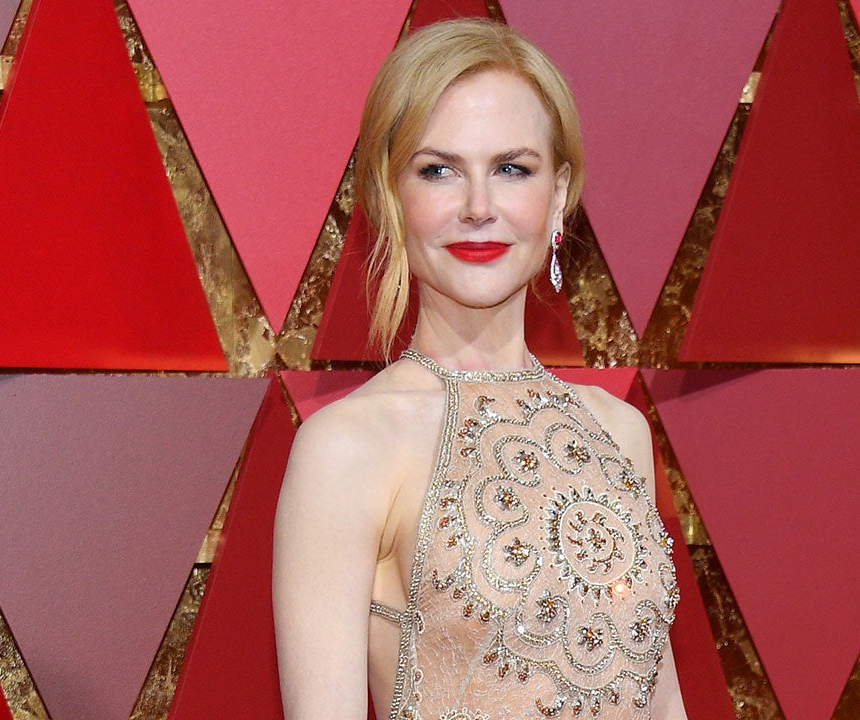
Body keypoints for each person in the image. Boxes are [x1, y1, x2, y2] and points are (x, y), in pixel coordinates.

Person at [274, 18, 687, 720]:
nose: (477, 208)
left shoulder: (619, 433)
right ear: (391, 198)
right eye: (438, 170)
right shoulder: (348, 447)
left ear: (558, 195)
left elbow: (658, 702)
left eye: (511, 169)